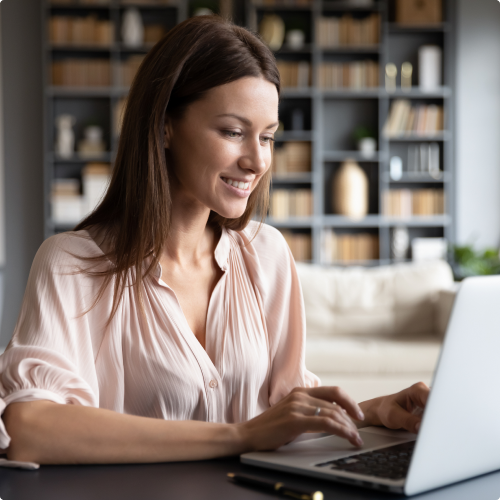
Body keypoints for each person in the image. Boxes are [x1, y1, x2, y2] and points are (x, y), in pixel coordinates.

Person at [0, 15, 428, 465]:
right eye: (233, 132)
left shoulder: (267, 255)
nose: (257, 160)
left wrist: (374, 411)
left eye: (267, 137)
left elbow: (282, 414)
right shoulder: (72, 264)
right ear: (165, 125)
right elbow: (32, 428)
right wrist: (239, 436)